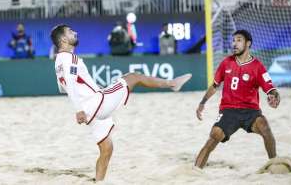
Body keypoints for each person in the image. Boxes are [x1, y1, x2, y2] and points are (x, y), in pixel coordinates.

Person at [50, 24, 192, 181]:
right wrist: (79, 108)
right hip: (97, 103)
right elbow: (69, 84)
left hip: (90, 109)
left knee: (106, 149)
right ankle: (172, 83)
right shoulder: (70, 58)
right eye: (70, 32)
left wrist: (82, 102)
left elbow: (62, 87)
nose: (75, 33)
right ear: (63, 39)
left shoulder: (58, 61)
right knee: (133, 77)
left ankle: (99, 181)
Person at [194, 29, 280, 169]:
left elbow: (271, 89)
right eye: (233, 40)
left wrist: (274, 96)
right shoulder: (226, 63)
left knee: (265, 127)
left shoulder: (257, 66)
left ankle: (274, 164)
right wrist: (202, 102)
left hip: (250, 111)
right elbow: (215, 86)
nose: (234, 43)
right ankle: (196, 171)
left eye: (239, 40)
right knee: (214, 136)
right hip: (228, 110)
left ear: (248, 43)